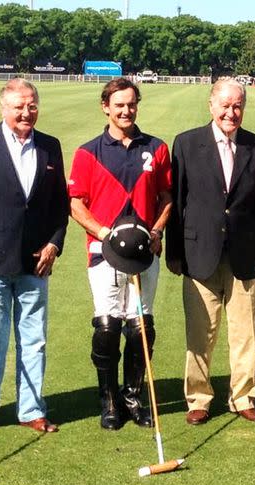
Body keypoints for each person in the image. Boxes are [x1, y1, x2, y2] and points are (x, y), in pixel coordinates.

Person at [0, 78, 69, 437]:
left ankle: (31, 409)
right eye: (19, 106)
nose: (26, 112)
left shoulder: (50, 146)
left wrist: (54, 244)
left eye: (32, 105)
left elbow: (59, 207)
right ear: (3, 108)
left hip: (36, 262)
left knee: (33, 342)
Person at [166, 78, 255, 425]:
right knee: (200, 332)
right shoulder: (186, 144)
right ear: (211, 105)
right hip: (200, 253)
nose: (232, 112)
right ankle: (198, 398)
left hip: (247, 254)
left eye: (238, 106)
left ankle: (243, 396)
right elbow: (177, 200)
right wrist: (175, 254)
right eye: (225, 105)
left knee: (246, 332)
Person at [68, 78, 172, 430]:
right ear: (105, 107)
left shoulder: (156, 148)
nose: (125, 111)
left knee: (141, 325)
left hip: (145, 251)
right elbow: (76, 204)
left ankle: (133, 396)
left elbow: (166, 198)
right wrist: (103, 233)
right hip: (103, 252)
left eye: (131, 104)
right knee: (108, 324)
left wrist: (156, 231)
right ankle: (109, 398)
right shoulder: (88, 152)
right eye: (119, 105)